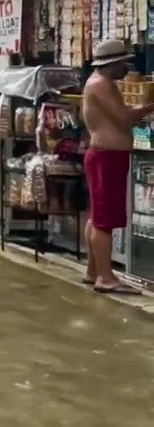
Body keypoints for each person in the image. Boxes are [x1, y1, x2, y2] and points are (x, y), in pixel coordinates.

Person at [81, 39, 154, 295]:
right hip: (107, 157)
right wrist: (150, 106)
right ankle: (105, 276)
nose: (125, 67)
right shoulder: (102, 84)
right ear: (111, 64)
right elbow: (123, 118)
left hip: (104, 155)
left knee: (98, 216)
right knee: (104, 220)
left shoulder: (98, 82)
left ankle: (93, 271)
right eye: (122, 63)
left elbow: (120, 113)